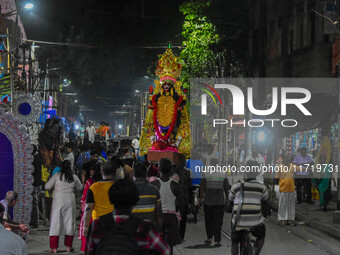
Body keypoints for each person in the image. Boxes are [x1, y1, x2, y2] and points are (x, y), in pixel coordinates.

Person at [85, 179, 170, 255]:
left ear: (111, 199)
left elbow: (89, 251)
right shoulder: (145, 227)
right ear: (135, 201)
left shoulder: (97, 224)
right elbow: (165, 251)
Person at [228, 160, 269, 255]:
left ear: (245, 171)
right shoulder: (263, 188)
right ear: (258, 173)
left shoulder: (236, 186)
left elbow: (229, 204)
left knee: (234, 242)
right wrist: (265, 214)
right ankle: (256, 252)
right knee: (261, 236)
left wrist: (228, 209)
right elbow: (265, 205)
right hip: (255, 224)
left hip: (238, 224)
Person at [45, 160, 83, 253]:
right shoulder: (73, 177)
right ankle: (69, 247)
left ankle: (54, 248)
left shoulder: (57, 176)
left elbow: (47, 186)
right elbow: (80, 187)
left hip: (58, 201)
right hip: (70, 201)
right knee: (70, 223)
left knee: (55, 222)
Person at [151, 158, 182, 251]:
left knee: (158, 245)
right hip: (171, 218)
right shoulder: (175, 185)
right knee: (170, 245)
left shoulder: (154, 184)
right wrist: (179, 215)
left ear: (159, 169)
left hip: (158, 217)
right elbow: (181, 203)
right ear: (171, 169)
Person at [200, 158, 229, 247]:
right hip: (220, 202)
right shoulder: (223, 173)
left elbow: (202, 187)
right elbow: (226, 188)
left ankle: (209, 237)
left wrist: (200, 199)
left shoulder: (206, 173)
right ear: (218, 164)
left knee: (208, 220)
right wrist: (228, 199)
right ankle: (217, 240)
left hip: (208, 201)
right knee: (218, 221)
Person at [82, 161, 116, 238]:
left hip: (98, 223)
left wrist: (86, 226)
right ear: (114, 172)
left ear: (101, 172)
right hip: (115, 223)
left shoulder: (94, 187)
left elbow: (88, 208)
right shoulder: (119, 186)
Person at [78, 164, 102, 254]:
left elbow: (84, 195)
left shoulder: (89, 182)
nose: (90, 171)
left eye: (92, 170)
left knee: (85, 227)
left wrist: (81, 203)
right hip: (99, 210)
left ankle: (83, 249)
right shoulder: (103, 183)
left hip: (89, 208)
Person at [132, 163, 163, 231]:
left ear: (133, 174)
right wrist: (160, 231)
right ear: (146, 174)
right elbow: (159, 213)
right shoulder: (154, 189)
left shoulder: (128, 188)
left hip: (132, 228)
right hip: (149, 229)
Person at [276, 155, 301, 226]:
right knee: (283, 204)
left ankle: (290, 220)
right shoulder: (280, 167)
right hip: (283, 188)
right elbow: (277, 177)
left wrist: (310, 169)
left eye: (287, 157)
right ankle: (283, 219)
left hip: (291, 188)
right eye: (285, 157)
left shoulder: (292, 166)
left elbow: (300, 169)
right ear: (283, 158)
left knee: (291, 205)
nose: (286, 158)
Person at [30, 144, 43, 228]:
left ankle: (35, 221)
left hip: (35, 183)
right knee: (34, 202)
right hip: (37, 182)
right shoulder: (38, 157)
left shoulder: (35, 159)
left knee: (34, 202)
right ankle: (34, 220)